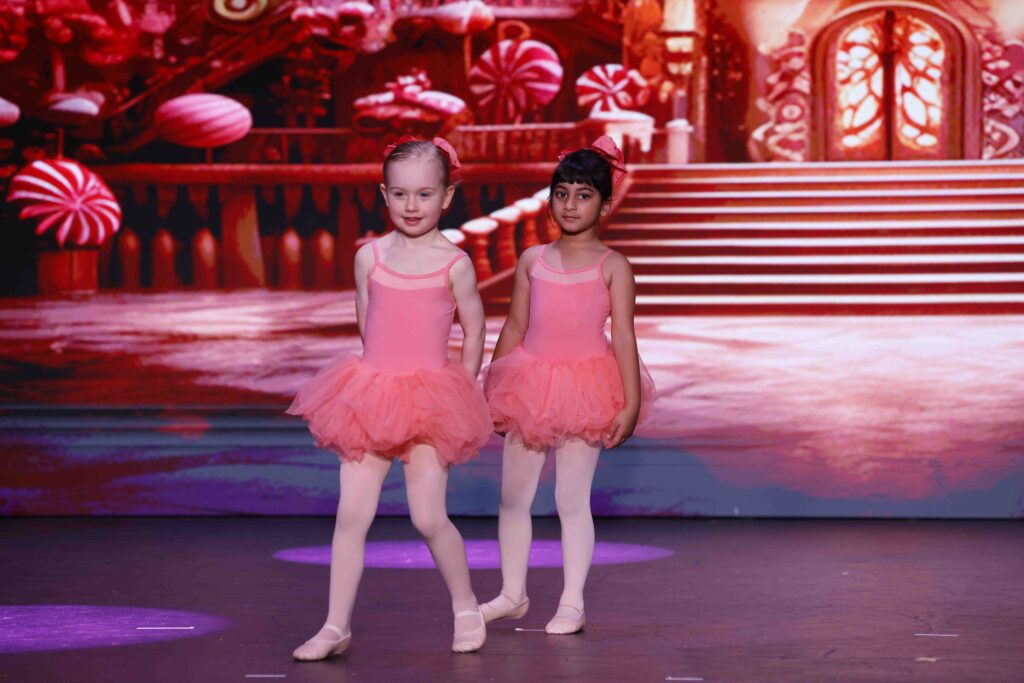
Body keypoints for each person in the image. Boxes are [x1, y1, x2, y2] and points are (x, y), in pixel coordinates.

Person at [286, 136, 491, 658]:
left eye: (425, 194)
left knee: (427, 518)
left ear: (447, 196)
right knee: (351, 516)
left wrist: (462, 391)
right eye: (400, 194)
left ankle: (466, 606)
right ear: (384, 194)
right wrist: (380, 380)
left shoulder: (454, 264)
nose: (412, 206)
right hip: (372, 396)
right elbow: (367, 320)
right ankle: (335, 626)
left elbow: (474, 328)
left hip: (430, 401)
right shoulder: (370, 257)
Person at [480, 136, 656, 635]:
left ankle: (572, 603)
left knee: (571, 500)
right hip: (529, 383)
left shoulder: (613, 266)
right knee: (513, 497)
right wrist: (494, 386)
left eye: (584, 195)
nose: (571, 204)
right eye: (562, 193)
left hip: (586, 388)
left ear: (605, 203)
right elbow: (515, 325)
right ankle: (512, 593)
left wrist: (630, 402)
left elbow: (625, 336)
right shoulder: (532, 259)